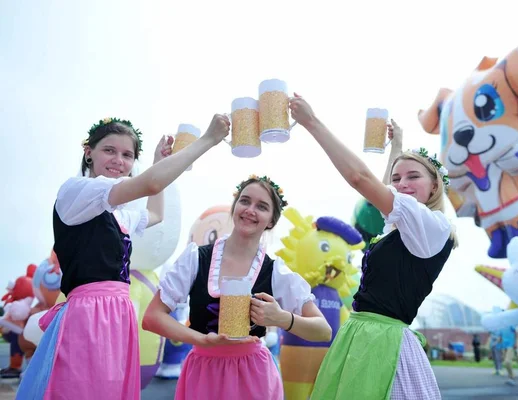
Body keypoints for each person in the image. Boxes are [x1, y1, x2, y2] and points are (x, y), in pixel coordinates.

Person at [16, 115, 230, 400]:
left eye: (127, 155)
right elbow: (151, 185)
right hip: (87, 313)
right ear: (88, 152)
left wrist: (157, 162)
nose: (119, 159)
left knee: (110, 391)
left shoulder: (116, 213)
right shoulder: (76, 191)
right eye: (109, 150)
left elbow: (155, 214)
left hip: (118, 312)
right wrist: (208, 140)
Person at [289, 94, 458, 400]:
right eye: (396, 178)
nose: (402, 183)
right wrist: (396, 147)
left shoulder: (432, 225)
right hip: (361, 335)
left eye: (413, 176)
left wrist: (312, 122)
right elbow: (383, 196)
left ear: (435, 185)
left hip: (383, 343)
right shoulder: (405, 227)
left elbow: (360, 179)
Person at [142, 175, 332, 400]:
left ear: (271, 220)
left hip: (254, 375)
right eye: (245, 201)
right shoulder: (196, 258)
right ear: (234, 207)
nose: (250, 210)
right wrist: (199, 339)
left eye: (261, 207)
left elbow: (323, 331)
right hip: (204, 372)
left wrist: (282, 319)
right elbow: (152, 318)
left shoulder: (276, 271)